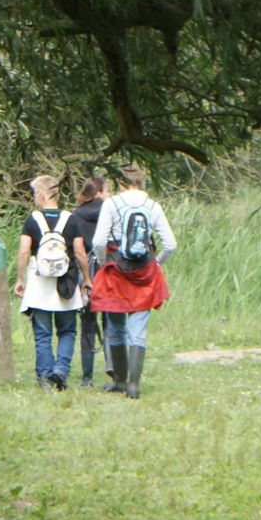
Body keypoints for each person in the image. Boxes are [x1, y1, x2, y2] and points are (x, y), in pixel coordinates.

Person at [87, 165, 177, 399]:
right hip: (145, 271)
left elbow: (98, 241)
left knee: (116, 327)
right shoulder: (153, 206)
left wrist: (104, 261)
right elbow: (170, 244)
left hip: (116, 270)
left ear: (121, 182)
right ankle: (134, 386)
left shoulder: (112, 204)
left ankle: (119, 381)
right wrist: (157, 263)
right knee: (138, 329)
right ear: (141, 182)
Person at [13, 175, 83, 391]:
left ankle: (44, 378)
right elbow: (79, 252)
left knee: (42, 334)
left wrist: (19, 278)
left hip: (39, 284)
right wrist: (87, 279)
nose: (34, 199)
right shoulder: (71, 219)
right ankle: (60, 371)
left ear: (42, 194)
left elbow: (25, 250)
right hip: (66, 285)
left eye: (35, 194)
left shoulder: (32, 220)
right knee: (68, 332)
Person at [64, 175, 110, 388]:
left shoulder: (76, 215)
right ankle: (114, 369)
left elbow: (76, 249)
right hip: (108, 270)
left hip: (87, 273)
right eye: (107, 190)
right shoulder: (110, 210)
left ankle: (87, 377)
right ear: (99, 193)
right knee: (111, 322)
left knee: (88, 324)